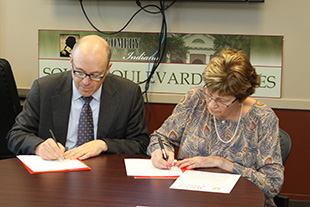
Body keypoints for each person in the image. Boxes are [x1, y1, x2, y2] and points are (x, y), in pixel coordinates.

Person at [147, 49, 284, 207]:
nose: (211, 104)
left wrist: (223, 163)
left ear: (241, 97)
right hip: (190, 198)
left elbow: (272, 184)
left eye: (221, 100)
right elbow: (160, 137)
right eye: (209, 94)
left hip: (240, 201)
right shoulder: (195, 99)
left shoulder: (263, 118)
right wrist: (160, 151)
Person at [7, 35, 149, 160]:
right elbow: (16, 135)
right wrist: (38, 146)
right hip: (55, 172)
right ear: (71, 62)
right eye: (79, 72)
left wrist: (104, 144)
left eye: (95, 75)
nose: (86, 82)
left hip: (103, 175)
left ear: (107, 69)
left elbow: (141, 144)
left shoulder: (128, 93)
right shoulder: (44, 89)